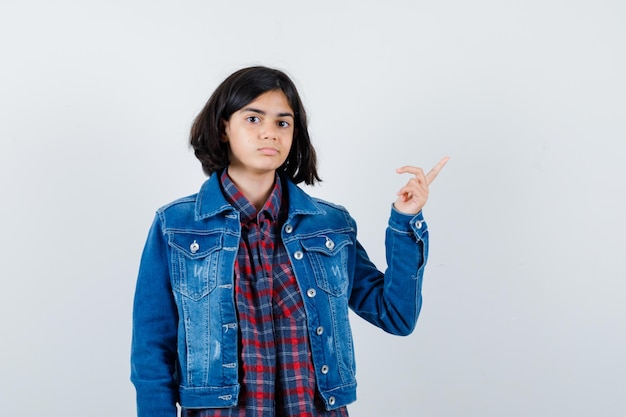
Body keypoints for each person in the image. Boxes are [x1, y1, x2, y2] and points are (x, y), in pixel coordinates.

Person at [131, 66, 448, 417]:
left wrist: (404, 222)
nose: (270, 133)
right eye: (253, 119)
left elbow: (396, 316)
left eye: (283, 123)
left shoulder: (330, 226)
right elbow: (150, 353)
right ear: (224, 128)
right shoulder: (176, 226)